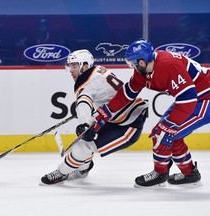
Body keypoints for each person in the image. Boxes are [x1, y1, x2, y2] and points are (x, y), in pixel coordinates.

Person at [94, 39, 209, 187]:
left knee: (163, 133)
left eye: (133, 63)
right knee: (167, 133)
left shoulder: (167, 65)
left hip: (204, 98)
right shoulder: (144, 70)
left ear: (141, 61)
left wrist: (168, 127)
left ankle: (160, 174)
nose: (132, 66)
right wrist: (107, 111)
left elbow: (188, 98)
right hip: (193, 97)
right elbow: (129, 91)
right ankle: (189, 173)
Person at [40, 49, 148, 185]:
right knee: (86, 140)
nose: (71, 71)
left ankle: (61, 173)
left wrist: (85, 122)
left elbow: (84, 100)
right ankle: (83, 169)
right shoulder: (98, 71)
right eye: (70, 66)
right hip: (117, 117)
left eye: (74, 66)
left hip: (128, 126)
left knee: (83, 145)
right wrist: (89, 119)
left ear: (85, 65)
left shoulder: (87, 82)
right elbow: (103, 97)